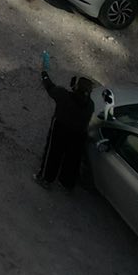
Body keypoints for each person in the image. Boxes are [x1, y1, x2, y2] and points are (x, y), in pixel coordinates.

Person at [36, 54, 95, 190]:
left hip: (60, 129)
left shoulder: (64, 96)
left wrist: (44, 74)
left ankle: (46, 178)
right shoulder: (90, 105)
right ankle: (66, 183)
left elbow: (50, 88)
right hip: (78, 134)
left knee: (53, 154)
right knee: (72, 160)